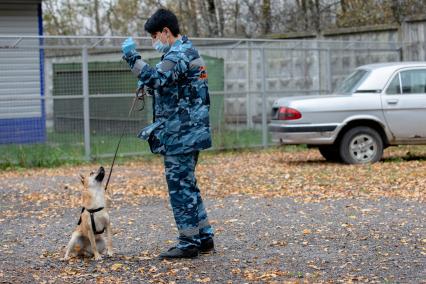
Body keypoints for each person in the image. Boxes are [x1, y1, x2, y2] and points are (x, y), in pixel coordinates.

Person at [121, 8, 214, 259]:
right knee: (188, 186)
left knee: (180, 189)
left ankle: (188, 243)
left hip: (181, 135)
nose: (154, 41)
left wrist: (132, 57)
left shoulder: (179, 53)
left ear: (165, 31)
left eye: (154, 36)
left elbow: (157, 78)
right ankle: (204, 237)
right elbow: (171, 86)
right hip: (188, 132)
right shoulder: (185, 51)